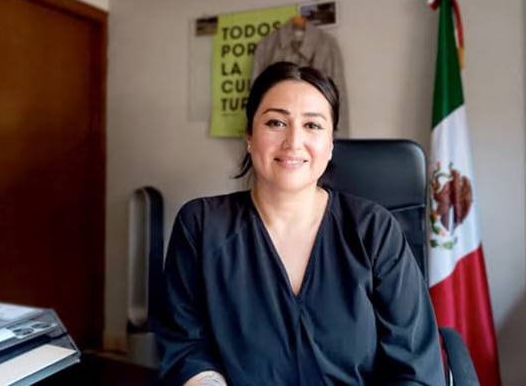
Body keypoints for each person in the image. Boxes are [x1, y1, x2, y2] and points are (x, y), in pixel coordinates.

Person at [154, 62, 445, 385]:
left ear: (331, 144)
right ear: (249, 136)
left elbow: (414, 366)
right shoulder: (201, 226)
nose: (293, 142)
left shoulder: (374, 230)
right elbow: (185, 346)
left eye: (312, 125)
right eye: (276, 122)